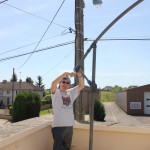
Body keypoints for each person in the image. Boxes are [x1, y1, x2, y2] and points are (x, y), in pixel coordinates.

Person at [51, 71, 85, 150]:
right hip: (58, 128)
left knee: (67, 148)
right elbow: (53, 83)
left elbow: (81, 85)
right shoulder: (56, 93)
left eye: (67, 83)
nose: (65, 84)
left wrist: (79, 75)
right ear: (60, 82)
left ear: (69, 85)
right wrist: (65, 73)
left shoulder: (70, 93)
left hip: (69, 127)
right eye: (63, 82)